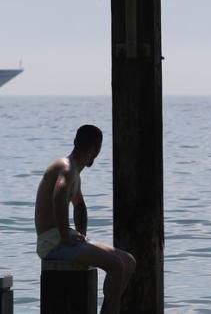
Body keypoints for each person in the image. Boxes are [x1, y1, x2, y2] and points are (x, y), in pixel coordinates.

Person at [34, 124, 135, 314]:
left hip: (64, 239)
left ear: (75, 142)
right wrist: (65, 236)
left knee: (128, 261)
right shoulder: (65, 166)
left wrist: (81, 235)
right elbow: (60, 193)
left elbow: (79, 205)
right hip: (52, 243)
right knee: (115, 265)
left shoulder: (73, 171)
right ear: (96, 149)